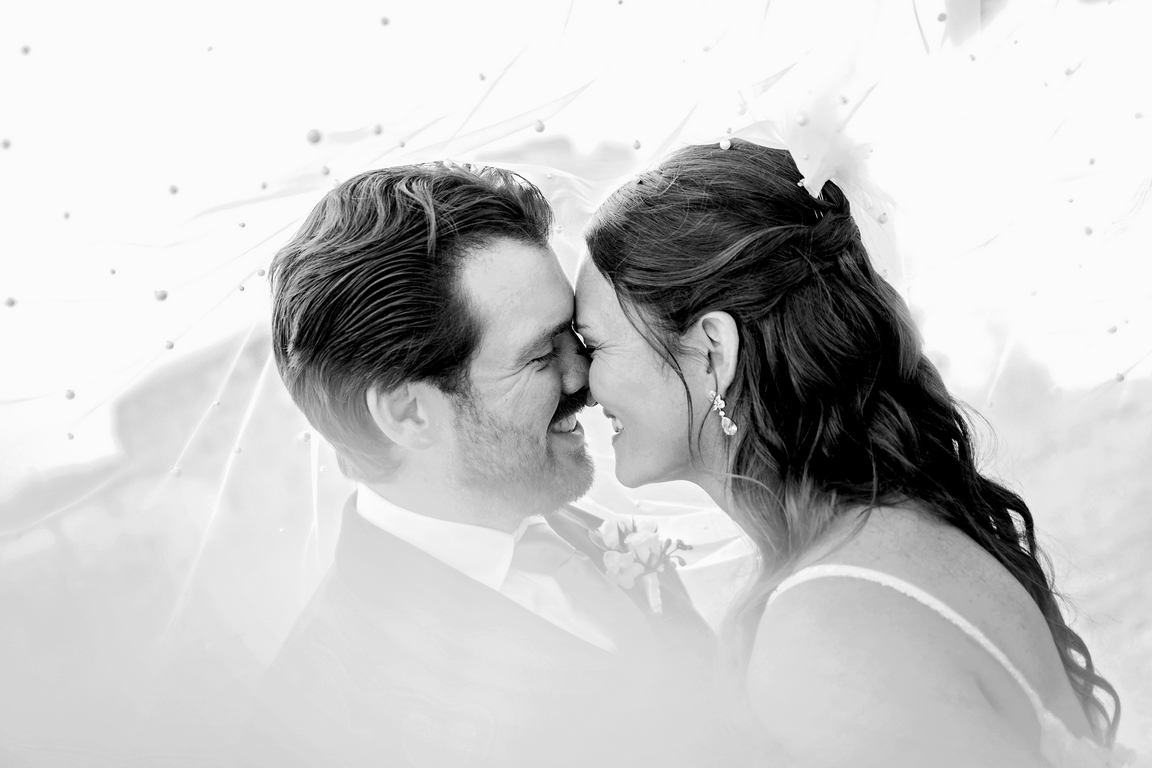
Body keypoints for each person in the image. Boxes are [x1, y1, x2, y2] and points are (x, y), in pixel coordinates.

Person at [576, 139, 1129, 767]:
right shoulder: (901, 527)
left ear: (712, 352)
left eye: (593, 346)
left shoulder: (827, 630)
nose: (580, 384)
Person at [241, 161, 726, 767]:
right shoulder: (322, 725)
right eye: (540, 356)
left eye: (575, 337)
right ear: (409, 413)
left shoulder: (587, 532)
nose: (584, 377)